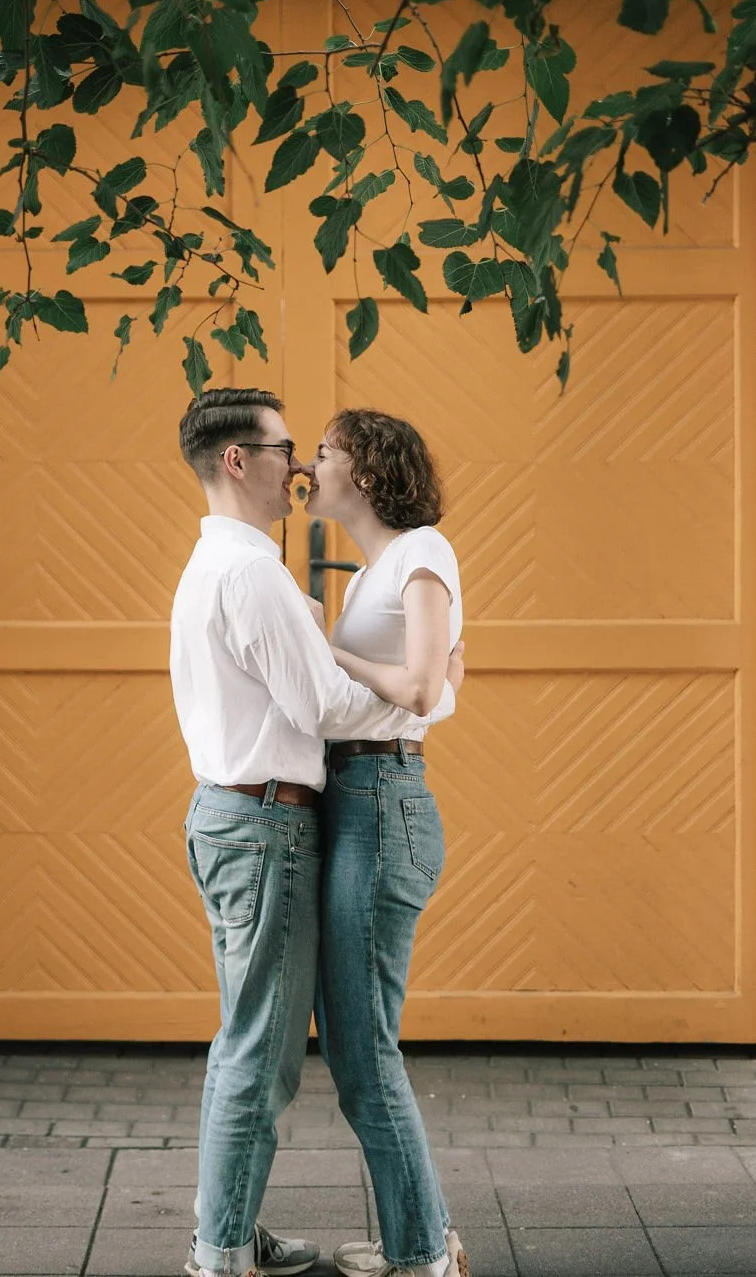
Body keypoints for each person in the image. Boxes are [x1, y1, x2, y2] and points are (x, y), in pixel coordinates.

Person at [170, 388, 458, 1277]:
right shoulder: (254, 575)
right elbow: (328, 705)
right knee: (264, 1053)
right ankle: (224, 1246)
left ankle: (255, 1236)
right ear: (237, 460)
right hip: (267, 822)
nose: (300, 465)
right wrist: (420, 690)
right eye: (288, 449)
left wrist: (419, 690)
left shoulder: (233, 564)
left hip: (292, 814)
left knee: (310, 1047)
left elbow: (388, 686)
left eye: (316, 452)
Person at [306, 408, 468, 1277]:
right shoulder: (374, 574)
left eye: (324, 452)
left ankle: (425, 1255)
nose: (308, 463)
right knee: (356, 1044)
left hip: (382, 801)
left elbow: (421, 686)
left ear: (364, 470)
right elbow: (443, 684)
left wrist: (331, 659)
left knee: (364, 1050)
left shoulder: (421, 552)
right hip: (359, 798)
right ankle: (419, 1238)